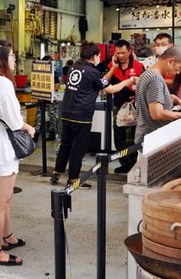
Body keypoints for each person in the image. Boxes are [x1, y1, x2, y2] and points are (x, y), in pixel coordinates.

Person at [0, 40, 35, 267]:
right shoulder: (2, 83)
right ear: (2, 59)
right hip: (2, 148)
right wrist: (29, 127)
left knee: (6, 198)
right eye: (12, 56)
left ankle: (7, 236)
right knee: (1, 202)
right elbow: (13, 121)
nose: (14, 60)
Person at [52, 42, 137, 188]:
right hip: (81, 115)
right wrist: (127, 81)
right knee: (78, 148)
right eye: (98, 56)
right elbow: (110, 89)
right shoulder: (92, 71)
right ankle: (73, 180)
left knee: (65, 144)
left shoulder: (74, 67)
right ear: (94, 56)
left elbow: (101, 81)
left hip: (67, 112)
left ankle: (57, 173)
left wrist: (114, 68)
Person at [134, 46, 181, 146]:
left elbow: (147, 99)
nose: (178, 72)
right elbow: (157, 114)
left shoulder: (147, 74)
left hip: (148, 136)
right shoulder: (155, 79)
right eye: (180, 68)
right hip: (153, 139)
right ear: (170, 61)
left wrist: (169, 97)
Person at [101, 40, 144, 174]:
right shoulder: (111, 65)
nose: (120, 56)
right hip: (118, 106)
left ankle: (133, 164)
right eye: (117, 53)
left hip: (134, 106)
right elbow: (103, 82)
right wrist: (113, 68)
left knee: (131, 136)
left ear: (130, 51)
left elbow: (144, 83)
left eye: (123, 53)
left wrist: (138, 97)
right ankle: (124, 163)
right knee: (118, 135)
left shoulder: (138, 66)